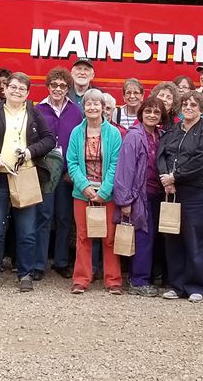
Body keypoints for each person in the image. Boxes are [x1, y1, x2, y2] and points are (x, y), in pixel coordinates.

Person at [0, 71, 57, 292]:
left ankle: (25, 273)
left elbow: (48, 140)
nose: (17, 91)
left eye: (22, 89)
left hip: (25, 176)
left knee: (27, 230)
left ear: (27, 93)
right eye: (13, 87)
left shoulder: (34, 114)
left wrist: (30, 152)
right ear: (5, 89)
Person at [156, 90, 203, 301]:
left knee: (195, 239)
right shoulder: (174, 129)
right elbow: (162, 154)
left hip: (197, 192)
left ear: (201, 109)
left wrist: (176, 177)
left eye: (194, 105)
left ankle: (196, 286)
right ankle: (176, 285)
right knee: (173, 238)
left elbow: (202, 161)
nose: (189, 108)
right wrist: (166, 177)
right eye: (185, 104)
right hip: (172, 192)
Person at [66, 90, 124, 294]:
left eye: (96, 104)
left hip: (107, 194)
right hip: (83, 193)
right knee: (83, 237)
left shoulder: (114, 133)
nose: (92, 107)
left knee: (109, 237)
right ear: (84, 108)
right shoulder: (76, 132)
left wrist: (104, 191)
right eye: (88, 104)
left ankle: (113, 280)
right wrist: (86, 188)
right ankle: (81, 280)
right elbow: (71, 162)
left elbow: (116, 164)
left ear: (103, 107)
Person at [114, 96, 166, 297]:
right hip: (139, 195)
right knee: (143, 238)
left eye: (156, 112)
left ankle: (145, 277)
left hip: (156, 194)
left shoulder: (159, 135)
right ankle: (138, 281)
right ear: (141, 114)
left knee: (152, 237)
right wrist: (125, 201)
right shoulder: (134, 136)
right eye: (148, 111)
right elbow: (124, 170)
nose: (152, 115)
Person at [34, 67, 83, 279]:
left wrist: (74, 170)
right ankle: (38, 264)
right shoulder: (38, 109)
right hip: (45, 172)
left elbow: (80, 142)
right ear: (48, 86)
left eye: (63, 86)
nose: (58, 89)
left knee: (64, 218)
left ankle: (62, 261)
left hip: (65, 173)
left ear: (68, 88)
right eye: (54, 84)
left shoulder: (76, 111)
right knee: (43, 216)